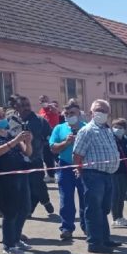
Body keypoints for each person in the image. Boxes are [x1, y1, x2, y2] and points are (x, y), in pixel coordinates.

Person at [0, 103, 34, 254]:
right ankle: (8, 244)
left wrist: (28, 141)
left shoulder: (9, 133)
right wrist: (15, 141)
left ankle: (17, 239)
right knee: (10, 211)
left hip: (21, 174)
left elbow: (27, 153)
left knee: (24, 209)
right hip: (4, 178)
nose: (2, 118)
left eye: (3, 115)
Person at [72, 99, 121, 254]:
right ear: (91, 112)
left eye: (105, 111)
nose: (102, 113)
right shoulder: (86, 130)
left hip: (108, 175)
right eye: (99, 110)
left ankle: (105, 239)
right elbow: (77, 154)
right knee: (94, 209)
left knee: (104, 208)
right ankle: (94, 242)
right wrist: (80, 170)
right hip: (93, 174)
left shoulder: (107, 131)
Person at [13, 95, 56, 217]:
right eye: (22, 105)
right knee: (22, 187)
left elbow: (50, 136)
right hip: (16, 161)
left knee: (37, 184)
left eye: (28, 105)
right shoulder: (11, 120)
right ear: (15, 106)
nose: (26, 108)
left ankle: (44, 201)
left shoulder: (40, 120)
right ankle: (31, 207)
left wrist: (45, 145)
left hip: (35, 159)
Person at [49, 102, 86, 240]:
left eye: (73, 113)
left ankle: (87, 227)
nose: (70, 116)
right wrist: (66, 142)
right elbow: (53, 148)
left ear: (79, 114)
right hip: (64, 166)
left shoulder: (86, 128)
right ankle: (67, 228)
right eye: (67, 114)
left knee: (85, 197)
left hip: (83, 166)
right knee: (66, 198)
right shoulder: (59, 128)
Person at [110, 118, 127, 228]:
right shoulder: (110, 140)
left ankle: (120, 216)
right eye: (115, 127)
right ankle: (115, 218)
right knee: (115, 195)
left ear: (124, 129)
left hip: (124, 172)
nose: (117, 129)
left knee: (121, 196)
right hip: (113, 171)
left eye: (120, 128)